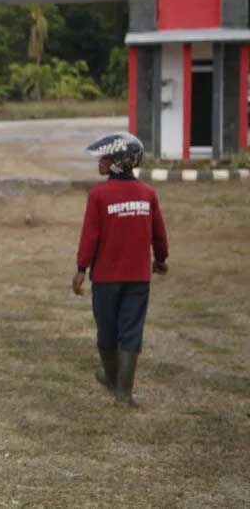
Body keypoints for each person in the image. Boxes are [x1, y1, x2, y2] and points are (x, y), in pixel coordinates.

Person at [73, 132, 169, 407]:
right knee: (131, 330)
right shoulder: (148, 194)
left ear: (118, 161)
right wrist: (160, 259)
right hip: (138, 277)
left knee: (107, 330)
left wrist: (81, 268)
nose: (100, 162)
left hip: (105, 278)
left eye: (105, 157)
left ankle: (113, 380)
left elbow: (90, 236)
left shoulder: (99, 195)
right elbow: (159, 234)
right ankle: (123, 393)